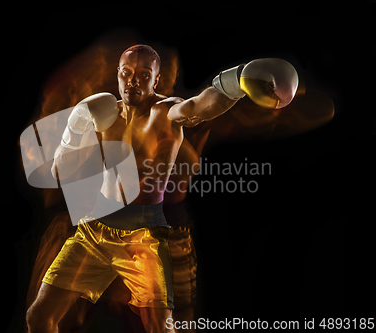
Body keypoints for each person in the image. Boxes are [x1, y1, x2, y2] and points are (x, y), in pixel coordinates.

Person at [26, 44, 298, 333]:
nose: (133, 80)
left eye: (144, 74)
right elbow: (59, 171)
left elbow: (200, 106)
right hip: (94, 232)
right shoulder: (104, 114)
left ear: (156, 79)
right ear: (118, 74)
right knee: (38, 318)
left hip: (144, 238)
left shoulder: (166, 113)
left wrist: (239, 79)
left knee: (161, 329)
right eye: (126, 72)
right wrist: (76, 124)